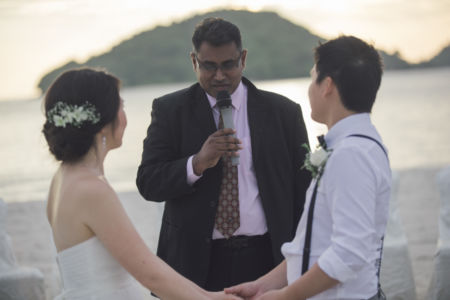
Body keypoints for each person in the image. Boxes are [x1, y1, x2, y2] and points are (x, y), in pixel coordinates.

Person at [136, 17, 311, 292]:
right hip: (196, 264)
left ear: (243, 58)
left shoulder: (284, 112)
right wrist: (197, 163)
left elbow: (303, 193)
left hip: (269, 258)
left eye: (228, 65)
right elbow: (148, 182)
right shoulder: (170, 111)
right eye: (209, 66)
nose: (219, 76)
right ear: (194, 61)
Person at [43, 68, 241, 300]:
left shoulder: (62, 178)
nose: (124, 115)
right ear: (104, 122)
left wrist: (209, 295)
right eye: (121, 105)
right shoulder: (92, 189)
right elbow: (150, 275)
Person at [225, 35, 391, 299]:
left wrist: (286, 296)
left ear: (327, 85)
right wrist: (265, 285)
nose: (309, 88)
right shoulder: (355, 146)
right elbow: (313, 243)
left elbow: (348, 253)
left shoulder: (351, 155)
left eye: (312, 77)